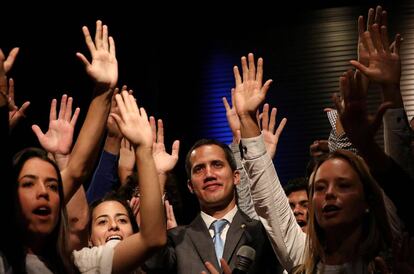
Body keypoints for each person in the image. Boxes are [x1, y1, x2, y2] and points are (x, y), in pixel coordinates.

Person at [143, 137, 282, 273]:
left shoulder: (262, 233)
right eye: (199, 169)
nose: (209, 174)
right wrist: (159, 176)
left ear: (236, 177)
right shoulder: (176, 239)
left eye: (217, 165)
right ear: (190, 186)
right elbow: (152, 264)